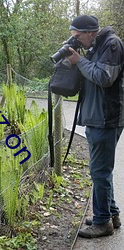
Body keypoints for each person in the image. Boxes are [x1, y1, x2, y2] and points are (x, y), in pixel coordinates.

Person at [66, 15, 124, 238]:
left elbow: (103, 77)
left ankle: (102, 223)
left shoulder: (112, 44)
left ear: (90, 32)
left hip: (106, 118)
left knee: (99, 171)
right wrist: (76, 60)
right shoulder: (95, 46)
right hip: (96, 117)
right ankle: (111, 214)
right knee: (101, 171)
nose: (77, 41)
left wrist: (79, 61)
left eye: (78, 37)